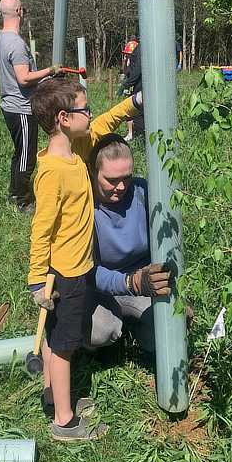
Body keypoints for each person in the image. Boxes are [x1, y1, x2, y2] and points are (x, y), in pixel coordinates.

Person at [28, 81, 142, 442]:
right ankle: (65, 421)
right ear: (63, 118)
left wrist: (134, 104)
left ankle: (54, 395)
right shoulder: (52, 172)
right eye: (84, 109)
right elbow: (41, 229)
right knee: (64, 345)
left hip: (77, 268)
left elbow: (105, 123)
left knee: (57, 336)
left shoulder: (74, 152)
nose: (90, 115)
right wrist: (36, 280)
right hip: (68, 273)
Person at [87, 134, 171, 353]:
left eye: (127, 177)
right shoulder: (84, 207)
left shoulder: (143, 191)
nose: (121, 186)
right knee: (100, 330)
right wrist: (130, 282)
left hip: (143, 281)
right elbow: (87, 271)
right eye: (111, 180)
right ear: (93, 173)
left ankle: (136, 330)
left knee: (171, 327)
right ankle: (100, 343)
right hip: (101, 289)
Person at [0, 0, 63, 212]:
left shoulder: (3, 39)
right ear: (19, 11)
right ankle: (23, 201)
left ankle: (14, 192)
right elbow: (24, 78)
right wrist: (51, 71)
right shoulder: (15, 43)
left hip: (10, 105)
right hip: (21, 108)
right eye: (23, 8)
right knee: (27, 156)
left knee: (19, 153)